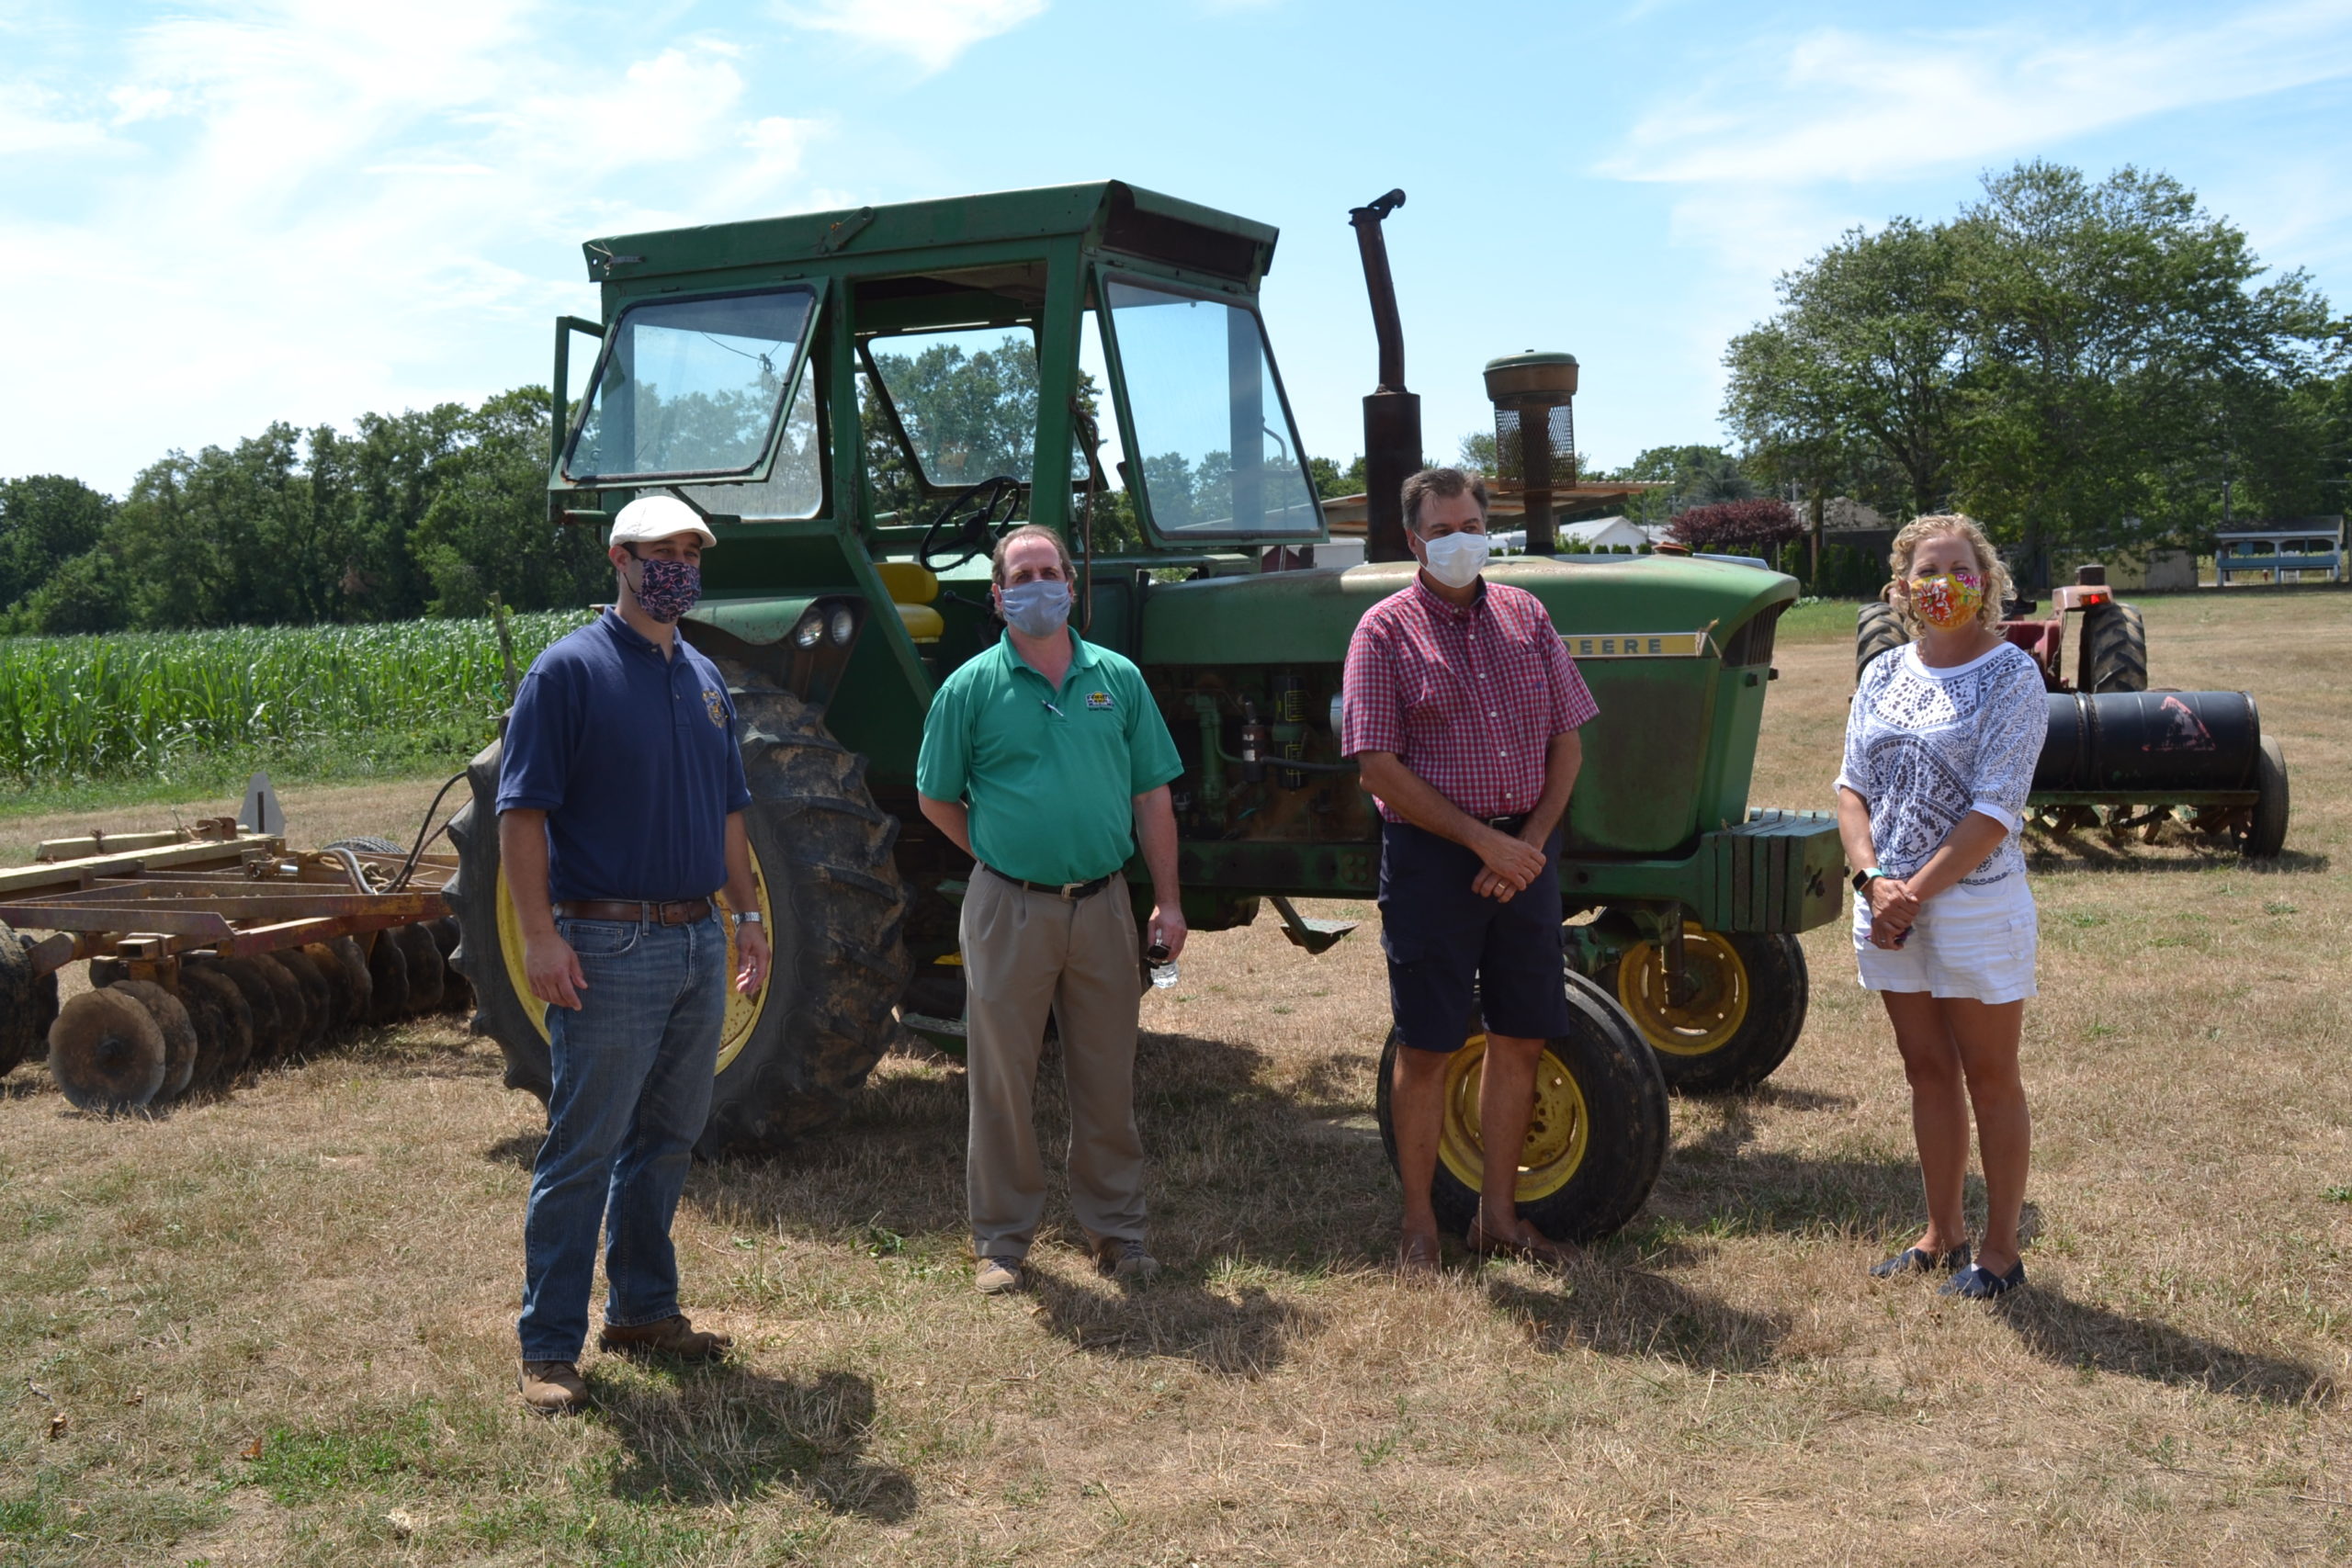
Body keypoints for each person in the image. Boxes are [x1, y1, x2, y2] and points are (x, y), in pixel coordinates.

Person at [497, 493, 774, 1414]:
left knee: (667, 1139)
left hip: (697, 937)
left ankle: (644, 1311)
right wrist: (539, 936)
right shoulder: (568, 672)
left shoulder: (701, 674)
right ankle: (547, 1348)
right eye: (663, 551)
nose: (680, 568)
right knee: (585, 1145)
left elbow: (728, 814)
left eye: (693, 552)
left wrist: (746, 917)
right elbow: (522, 813)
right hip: (606, 941)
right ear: (619, 558)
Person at [915, 524, 1186, 1295]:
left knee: (1108, 1074)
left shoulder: (1119, 679)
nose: (1038, 585)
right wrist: (1000, 856)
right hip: (1009, 907)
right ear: (999, 597)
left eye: (1049, 571)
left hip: (1104, 904)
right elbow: (936, 797)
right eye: (1021, 575)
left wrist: (1166, 900)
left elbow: (1151, 794)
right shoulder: (969, 688)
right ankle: (1001, 1242)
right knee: (1002, 1078)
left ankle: (1119, 1233)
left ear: (1072, 585)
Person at [1341, 468, 1599, 1274]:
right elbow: (1376, 767)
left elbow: (1569, 741)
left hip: (1526, 855)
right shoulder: (1382, 632)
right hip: (1432, 861)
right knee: (1429, 1045)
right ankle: (1420, 1222)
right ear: (1415, 541)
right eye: (1443, 528)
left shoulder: (1528, 616)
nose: (1461, 539)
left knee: (1520, 1037)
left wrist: (1526, 846)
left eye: (1473, 524)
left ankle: (1497, 1216)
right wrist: (1482, 845)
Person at [1836, 513, 2047, 1300]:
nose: (1944, 584)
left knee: (1990, 1076)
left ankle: (1999, 1252)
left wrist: (1911, 894)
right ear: (1902, 587)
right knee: (1925, 1070)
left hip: (1972, 908)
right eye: (1929, 569)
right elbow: (1851, 786)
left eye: (1961, 569)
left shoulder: (2014, 676)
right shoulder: (1884, 671)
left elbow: (1996, 810)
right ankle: (1941, 1232)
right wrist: (1872, 883)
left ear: (1986, 584)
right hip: (1887, 903)